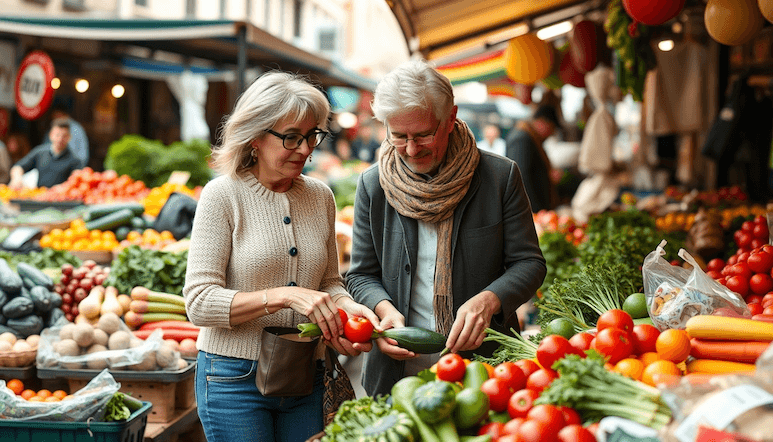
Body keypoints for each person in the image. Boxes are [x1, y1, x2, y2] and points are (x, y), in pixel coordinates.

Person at [183, 71, 380, 442]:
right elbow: (199, 303)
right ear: (255, 136)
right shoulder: (222, 196)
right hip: (233, 379)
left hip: (307, 375)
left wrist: (348, 312)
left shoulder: (320, 196)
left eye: (312, 136)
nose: (306, 149)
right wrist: (284, 296)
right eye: (291, 137)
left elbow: (328, 283)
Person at [345, 59, 547, 397]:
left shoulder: (499, 177)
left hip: (485, 369)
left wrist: (489, 300)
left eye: (423, 135)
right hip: (397, 373)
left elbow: (530, 263)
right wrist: (383, 310)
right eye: (399, 136)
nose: (411, 149)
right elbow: (361, 274)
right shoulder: (373, 184)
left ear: (450, 118)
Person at [504, 104, 561, 213]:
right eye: (551, 128)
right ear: (542, 122)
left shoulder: (529, 137)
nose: (551, 133)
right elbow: (521, 177)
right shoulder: (521, 138)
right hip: (531, 211)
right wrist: (535, 211)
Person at [8, 118, 82, 189]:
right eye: (57, 135)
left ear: (69, 137)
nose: (60, 139)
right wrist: (17, 179)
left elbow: (76, 183)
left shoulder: (75, 160)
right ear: (51, 135)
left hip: (61, 199)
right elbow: (18, 167)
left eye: (64, 136)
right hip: (40, 196)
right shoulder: (40, 152)